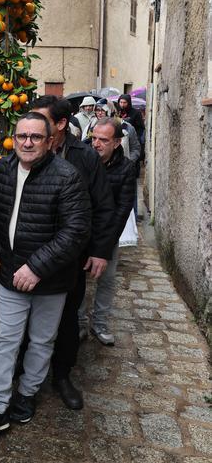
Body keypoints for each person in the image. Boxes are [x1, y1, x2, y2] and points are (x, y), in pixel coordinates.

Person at [0, 112, 91, 440]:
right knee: (6, 339)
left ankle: (26, 393)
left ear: (49, 140)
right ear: (13, 138)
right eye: (21, 135)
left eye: (35, 137)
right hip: (10, 273)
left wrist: (37, 267)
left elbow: (76, 230)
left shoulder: (67, 176)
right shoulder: (3, 169)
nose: (27, 142)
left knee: (41, 339)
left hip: (51, 279)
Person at [30, 96, 115, 409]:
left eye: (42, 119)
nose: (33, 127)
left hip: (71, 258)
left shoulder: (84, 157)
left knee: (67, 319)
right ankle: (25, 376)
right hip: (31, 252)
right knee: (28, 317)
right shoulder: (26, 149)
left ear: (61, 124)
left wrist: (100, 251)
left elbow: (104, 206)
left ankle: (62, 375)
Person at [82, 118, 136, 345]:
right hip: (80, 231)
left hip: (107, 234)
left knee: (106, 279)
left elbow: (122, 211)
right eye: (94, 138)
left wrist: (103, 250)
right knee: (77, 280)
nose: (96, 144)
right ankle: (78, 322)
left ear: (116, 142)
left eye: (103, 140)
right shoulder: (83, 159)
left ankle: (100, 323)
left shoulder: (126, 168)